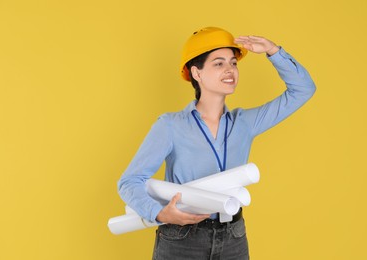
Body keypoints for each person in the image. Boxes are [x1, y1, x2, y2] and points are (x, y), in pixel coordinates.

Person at [117, 27, 316, 259]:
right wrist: (160, 214)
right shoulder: (170, 126)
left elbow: (303, 89)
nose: (230, 70)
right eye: (219, 64)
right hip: (182, 238)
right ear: (196, 73)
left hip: (233, 236)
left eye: (233, 63)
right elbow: (129, 182)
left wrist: (273, 51)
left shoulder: (246, 123)